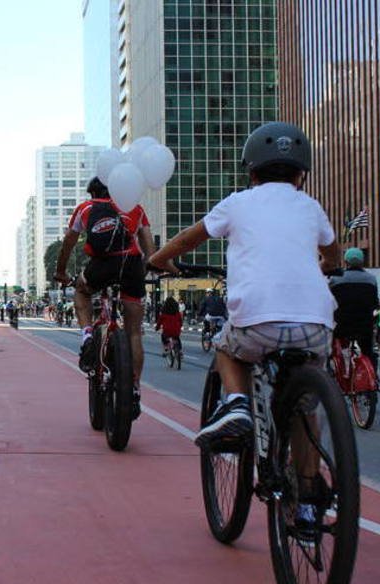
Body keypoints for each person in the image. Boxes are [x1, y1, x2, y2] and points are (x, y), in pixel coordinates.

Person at [149, 121, 340, 454]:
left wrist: (156, 261)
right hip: (315, 326)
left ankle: (237, 404)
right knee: (306, 411)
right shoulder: (312, 207)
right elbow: (333, 258)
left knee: (225, 348)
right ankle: (308, 499)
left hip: (257, 324)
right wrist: (319, 268)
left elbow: (185, 240)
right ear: (301, 175)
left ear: (251, 172)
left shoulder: (237, 203)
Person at [53, 176, 156, 419]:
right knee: (133, 332)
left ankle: (88, 334)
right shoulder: (135, 208)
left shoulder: (86, 208)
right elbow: (150, 250)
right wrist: (145, 269)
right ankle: (134, 389)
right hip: (130, 265)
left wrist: (60, 271)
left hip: (100, 266)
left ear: (92, 192)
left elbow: (68, 242)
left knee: (81, 290)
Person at [329, 247, 379, 373]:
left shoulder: (335, 279)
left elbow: (329, 302)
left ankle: (329, 372)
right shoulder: (371, 279)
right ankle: (373, 376)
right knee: (368, 352)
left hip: (342, 324)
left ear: (346, 262)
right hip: (364, 324)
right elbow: (374, 303)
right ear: (362, 261)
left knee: (328, 349)